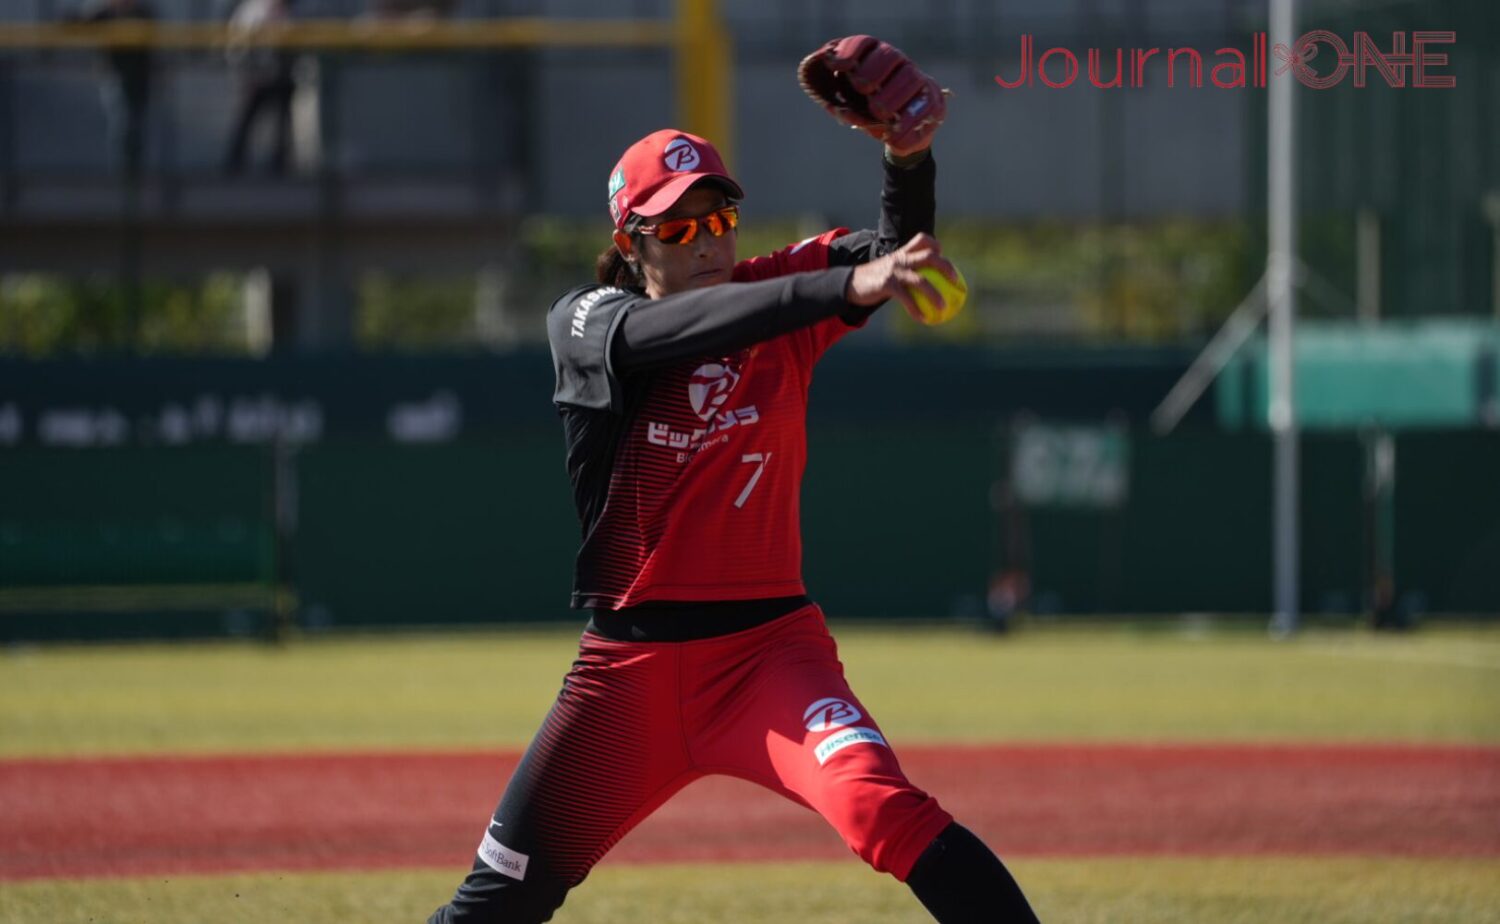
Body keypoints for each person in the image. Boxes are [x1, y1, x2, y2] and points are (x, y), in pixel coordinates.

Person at [428, 36, 1040, 924]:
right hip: (626, 677)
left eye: (719, 221)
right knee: (500, 902)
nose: (708, 242)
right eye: (679, 227)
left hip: (770, 660)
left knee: (886, 810)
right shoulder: (589, 321)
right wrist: (843, 289)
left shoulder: (779, 290)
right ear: (630, 243)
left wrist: (908, 156)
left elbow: (898, 250)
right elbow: (682, 333)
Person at [223, 0, 296, 175]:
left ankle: (280, 165)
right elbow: (237, 47)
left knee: (282, 122)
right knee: (247, 119)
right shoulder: (251, 10)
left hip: (281, 75)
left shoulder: (287, 10)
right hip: (256, 76)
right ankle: (234, 165)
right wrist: (246, 74)